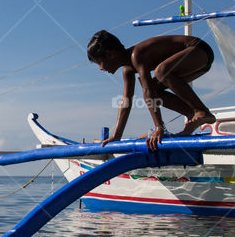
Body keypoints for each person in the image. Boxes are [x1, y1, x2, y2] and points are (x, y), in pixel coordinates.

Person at [87, 30, 216, 151]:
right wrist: (116, 136)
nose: (100, 68)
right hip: (195, 62)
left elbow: (147, 91)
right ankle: (192, 114)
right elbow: (126, 103)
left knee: (161, 72)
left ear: (110, 54)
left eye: (99, 62)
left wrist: (159, 127)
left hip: (198, 50)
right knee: (157, 85)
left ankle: (201, 111)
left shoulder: (136, 55)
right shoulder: (127, 70)